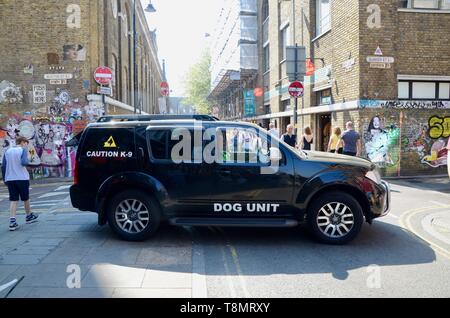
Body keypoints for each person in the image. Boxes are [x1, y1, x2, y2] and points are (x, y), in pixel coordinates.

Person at [1, 137, 38, 231]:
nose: (26, 145)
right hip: (22, 178)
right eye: (26, 143)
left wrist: (5, 179)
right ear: (22, 142)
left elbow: (3, 166)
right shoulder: (23, 150)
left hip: (10, 179)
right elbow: (24, 162)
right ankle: (29, 216)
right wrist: (30, 157)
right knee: (26, 198)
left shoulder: (7, 151)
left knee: (13, 199)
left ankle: (12, 221)